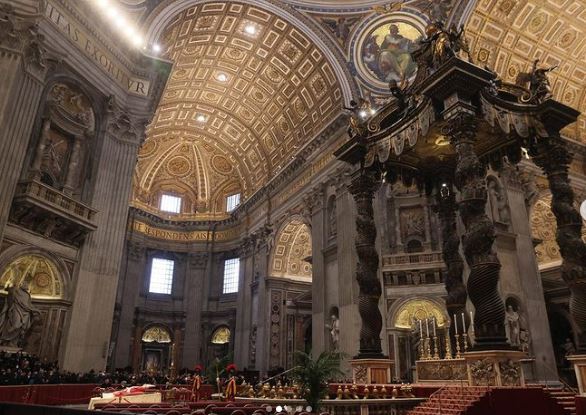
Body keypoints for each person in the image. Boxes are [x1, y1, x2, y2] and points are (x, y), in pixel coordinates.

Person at [0, 283, 40, 348]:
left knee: (21, 327)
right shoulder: (16, 290)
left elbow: (28, 305)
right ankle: (5, 338)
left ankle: (13, 342)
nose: (26, 285)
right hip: (16, 310)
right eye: (24, 284)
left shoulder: (27, 295)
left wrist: (35, 310)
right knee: (15, 325)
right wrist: (10, 287)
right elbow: (10, 294)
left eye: (27, 285)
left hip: (25, 313)